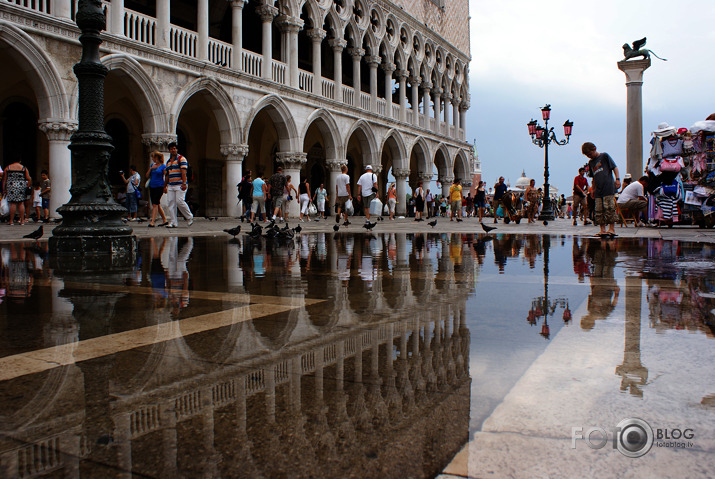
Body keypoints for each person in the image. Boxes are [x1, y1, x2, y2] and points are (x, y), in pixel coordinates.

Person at [582, 142, 621, 238]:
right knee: (599, 210)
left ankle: (611, 229)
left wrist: (617, 179)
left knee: (609, 208)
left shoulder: (604, 156)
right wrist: (593, 189)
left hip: (608, 186)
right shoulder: (591, 163)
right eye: (587, 155)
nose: (589, 157)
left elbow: (614, 167)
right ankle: (602, 229)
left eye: (590, 154)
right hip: (598, 189)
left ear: (594, 149)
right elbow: (594, 178)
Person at [164, 142, 194, 228]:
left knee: (180, 201)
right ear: (169, 150)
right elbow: (167, 175)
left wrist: (184, 183)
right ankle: (173, 222)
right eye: (171, 149)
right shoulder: (168, 162)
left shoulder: (182, 159)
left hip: (180, 184)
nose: (173, 150)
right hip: (170, 185)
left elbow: (183, 172)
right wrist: (164, 186)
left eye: (174, 148)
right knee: (171, 203)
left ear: (176, 149)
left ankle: (189, 216)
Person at [2, 157, 32, 225]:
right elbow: (29, 178)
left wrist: (4, 189)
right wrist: (27, 187)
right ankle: (22, 221)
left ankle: (11, 221)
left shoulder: (8, 168)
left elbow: (4, 179)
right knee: (21, 203)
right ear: (20, 160)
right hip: (21, 186)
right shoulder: (23, 168)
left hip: (11, 185)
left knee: (13, 203)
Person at [146, 151, 168, 227]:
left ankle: (152, 221)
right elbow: (147, 175)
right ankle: (164, 220)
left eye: (153, 157)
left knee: (155, 204)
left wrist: (165, 186)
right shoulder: (152, 165)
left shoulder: (163, 166)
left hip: (159, 186)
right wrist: (151, 168)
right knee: (157, 204)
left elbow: (166, 176)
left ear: (157, 157)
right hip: (152, 186)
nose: (152, 159)